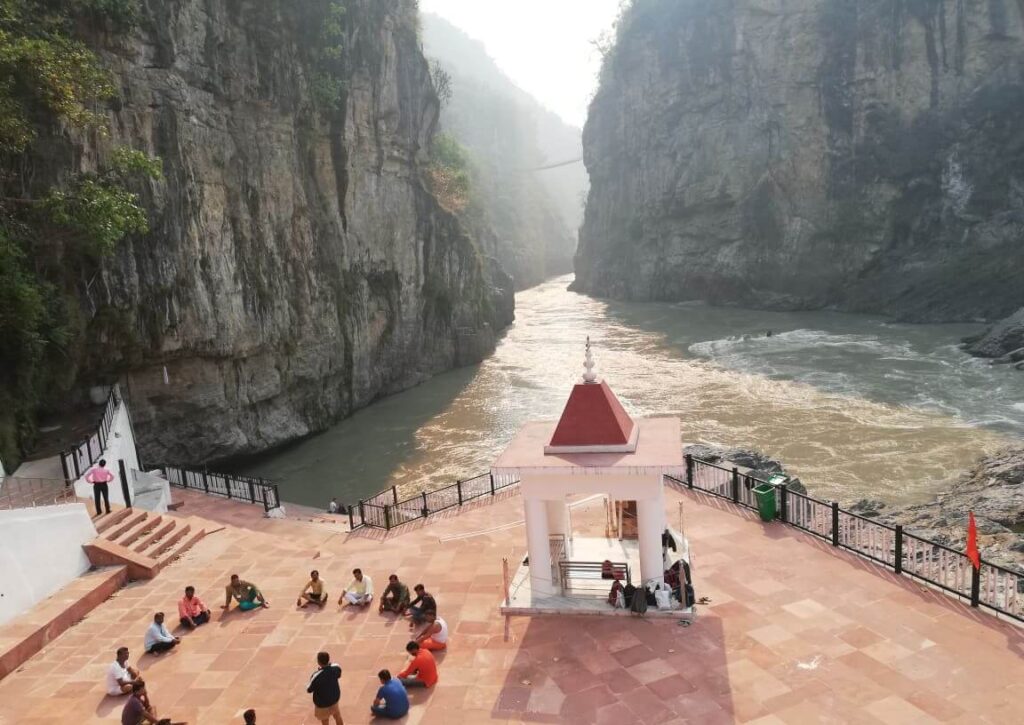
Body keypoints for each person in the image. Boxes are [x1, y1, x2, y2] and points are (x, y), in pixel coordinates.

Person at [306, 651, 343, 725]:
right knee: (337, 716)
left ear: (319, 662)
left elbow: (309, 689)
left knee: (325, 721)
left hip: (322, 704)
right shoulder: (336, 668)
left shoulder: (316, 676)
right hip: (334, 699)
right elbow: (338, 673)